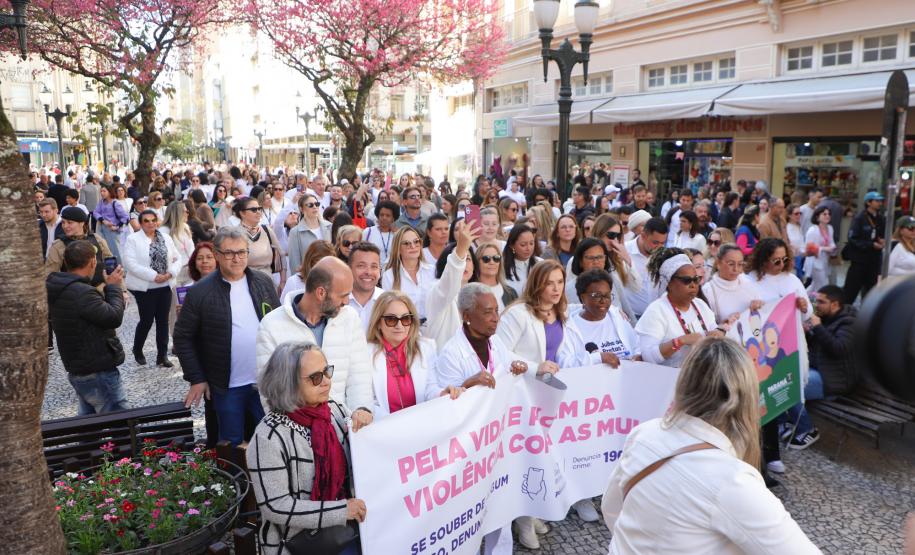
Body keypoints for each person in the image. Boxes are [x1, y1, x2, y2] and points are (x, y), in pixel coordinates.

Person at [601, 337, 820, 554]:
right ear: (746, 399)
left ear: (684, 383)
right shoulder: (732, 480)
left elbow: (611, 508)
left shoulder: (645, 432)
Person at [246, 342, 367, 555]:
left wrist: (364, 418)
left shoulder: (334, 410)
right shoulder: (269, 436)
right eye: (315, 377)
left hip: (346, 531)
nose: (327, 382)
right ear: (288, 384)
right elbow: (276, 506)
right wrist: (341, 511)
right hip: (297, 544)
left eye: (327, 371)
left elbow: (362, 456)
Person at [175, 227, 281, 446]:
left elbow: (278, 325)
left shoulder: (263, 282)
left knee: (271, 440)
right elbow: (183, 337)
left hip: (264, 381)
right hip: (226, 385)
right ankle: (234, 481)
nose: (237, 258)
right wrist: (197, 377)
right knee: (231, 444)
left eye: (242, 252)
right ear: (217, 254)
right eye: (230, 253)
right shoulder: (200, 292)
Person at [256, 256, 374, 423]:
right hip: (296, 434)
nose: (347, 302)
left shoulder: (350, 317)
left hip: (343, 429)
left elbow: (359, 374)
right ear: (321, 293)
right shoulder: (271, 325)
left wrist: (361, 410)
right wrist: (294, 435)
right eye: (343, 295)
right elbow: (271, 393)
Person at [47, 240, 128, 415]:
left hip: (79, 368)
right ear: (92, 262)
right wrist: (113, 287)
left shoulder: (59, 288)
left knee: (88, 426)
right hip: (97, 370)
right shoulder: (81, 293)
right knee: (121, 424)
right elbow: (113, 317)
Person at [782, 285, 857, 451]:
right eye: (815, 300)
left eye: (822, 302)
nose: (816, 305)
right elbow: (814, 347)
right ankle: (785, 423)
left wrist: (818, 327)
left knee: (788, 387)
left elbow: (839, 349)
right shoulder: (825, 318)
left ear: (835, 304)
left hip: (834, 380)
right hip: (817, 372)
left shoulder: (849, 323)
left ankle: (807, 429)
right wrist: (806, 332)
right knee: (779, 378)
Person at [365, 291, 463, 417]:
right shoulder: (366, 353)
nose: (399, 325)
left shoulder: (426, 348)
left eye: (405, 319)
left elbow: (429, 389)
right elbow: (368, 400)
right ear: (378, 323)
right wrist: (391, 423)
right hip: (384, 429)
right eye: (391, 319)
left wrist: (442, 393)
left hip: (420, 428)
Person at [635, 247, 723, 368]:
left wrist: (717, 334)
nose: (693, 285)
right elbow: (648, 356)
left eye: (695, 279)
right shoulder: (657, 311)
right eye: (686, 280)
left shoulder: (700, 305)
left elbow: (715, 329)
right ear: (669, 283)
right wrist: (680, 341)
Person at [123, 209, 181, 367]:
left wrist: (170, 273)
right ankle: (137, 349)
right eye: (146, 221)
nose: (150, 223)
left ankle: (162, 356)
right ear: (141, 224)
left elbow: (177, 258)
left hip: (165, 285)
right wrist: (153, 275)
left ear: (157, 221)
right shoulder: (133, 239)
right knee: (147, 320)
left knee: (163, 321)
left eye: (153, 220)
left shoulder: (166, 238)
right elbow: (130, 263)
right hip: (145, 287)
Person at [424, 221, 479, 349]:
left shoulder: (479, 293)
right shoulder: (436, 290)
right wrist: (461, 248)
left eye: (468, 259)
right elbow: (449, 282)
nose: (464, 264)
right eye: (461, 259)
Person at [571, 269, 640, 365]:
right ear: (582, 297)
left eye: (607, 295)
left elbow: (636, 344)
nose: (603, 301)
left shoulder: (618, 318)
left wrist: (637, 356)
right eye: (596, 295)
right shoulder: (571, 327)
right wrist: (598, 358)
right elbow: (568, 363)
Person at [45, 206, 114, 288]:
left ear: (82, 223)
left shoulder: (97, 239)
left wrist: (122, 290)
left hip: (101, 290)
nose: (65, 226)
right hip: (73, 293)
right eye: (63, 222)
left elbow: (111, 266)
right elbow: (50, 274)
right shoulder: (59, 245)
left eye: (70, 222)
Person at [382, 226, 437, 323]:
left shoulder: (433, 271)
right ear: (398, 249)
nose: (413, 246)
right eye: (407, 243)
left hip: (433, 326)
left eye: (416, 241)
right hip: (405, 327)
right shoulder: (389, 276)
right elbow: (388, 309)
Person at [702, 244, 764, 324]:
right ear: (718, 263)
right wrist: (726, 323)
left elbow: (762, 315)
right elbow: (708, 327)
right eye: (731, 264)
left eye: (740, 264)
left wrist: (759, 306)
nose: (736, 269)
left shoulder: (748, 283)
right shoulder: (708, 291)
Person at [843, 191, 886, 304]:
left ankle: (866, 315)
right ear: (868, 202)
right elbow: (853, 239)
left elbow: (881, 235)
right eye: (877, 201)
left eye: (880, 201)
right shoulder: (859, 218)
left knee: (870, 291)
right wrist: (870, 245)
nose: (879, 203)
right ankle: (844, 314)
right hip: (859, 261)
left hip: (874, 261)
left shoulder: (881, 219)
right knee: (851, 290)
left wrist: (882, 240)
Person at [624, 217, 668, 318]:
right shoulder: (625, 251)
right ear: (643, 235)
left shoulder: (663, 255)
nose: (659, 247)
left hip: (656, 316)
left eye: (663, 243)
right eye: (655, 242)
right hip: (630, 316)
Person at [287, 193, 333, 275]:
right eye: (310, 205)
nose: (315, 207)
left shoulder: (329, 226)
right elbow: (295, 263)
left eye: (317, 204)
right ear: (301, 209)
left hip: (329, 273)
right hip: (308, 277)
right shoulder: (295, 232)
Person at [347, 241, 384, 330]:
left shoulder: (388, 301)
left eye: (374, 266)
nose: (368, 272)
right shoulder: (337, 303)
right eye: (361, 266)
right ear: (349, 269)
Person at [475, 240, 518, 312]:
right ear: (477, 262)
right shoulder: (470, 292)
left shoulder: (511, 293)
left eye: (496, 258)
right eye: (486, 259)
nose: (492, 262)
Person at [93, 184, 129, 264]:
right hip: (102, 229)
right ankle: (110, 268)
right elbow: (95, 212)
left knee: (115, 251)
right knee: (105, 250)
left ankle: (121, 269)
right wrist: (103, 220)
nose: (102, 193)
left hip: (112, 231)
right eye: (101, 191)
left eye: (104, 191)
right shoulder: (102, 202)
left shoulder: (115, 203)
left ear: (109, 192)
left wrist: (117, 227)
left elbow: (125, 217)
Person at [804, 205, 836, 292]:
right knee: (823, 285)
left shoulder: (830, 228)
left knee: (815, 285)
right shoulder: (812, 230)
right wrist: (825, 249)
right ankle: (817, 302)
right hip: (814, 262)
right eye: (824, 214)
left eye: (829, 214)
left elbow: (831, 242)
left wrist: (833, 247)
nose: (827, 216)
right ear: (817, 217)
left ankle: (804, 298)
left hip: (825, 260)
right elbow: (809, 248)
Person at [502, 224, 541, 295]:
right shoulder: (502, 267)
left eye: (531, 243)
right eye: (523, 245)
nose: (528, 248)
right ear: (512, 245)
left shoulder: (541, 263)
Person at [363, 200, 398, 266]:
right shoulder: (368, 232)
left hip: (392, 271)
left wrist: (396, 232)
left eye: (388, 215)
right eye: (381, 215)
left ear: (393, 218)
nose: (384, 218)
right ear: (378, 216)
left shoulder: (397, 234)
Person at [786, 203, 806, 277]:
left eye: (800, 213)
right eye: (796, 213)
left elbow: (801, 243)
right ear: (789, 215)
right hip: (792, 261)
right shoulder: (787, 227)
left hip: (801, 259)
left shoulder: (799, 227)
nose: (799, 215)